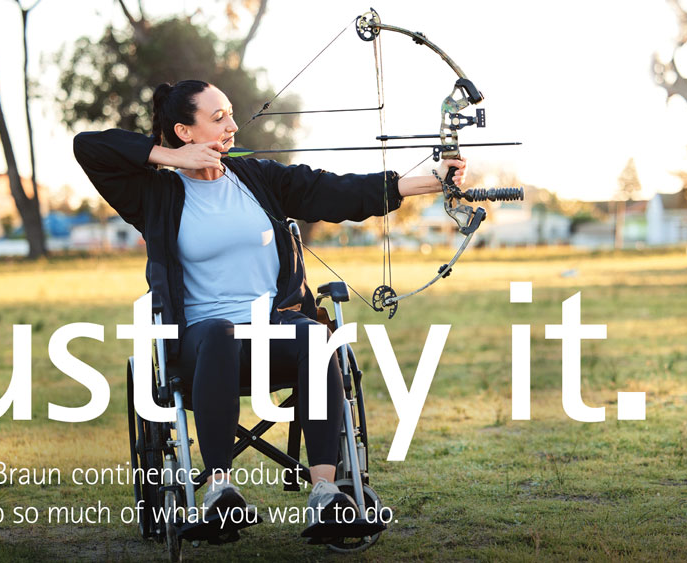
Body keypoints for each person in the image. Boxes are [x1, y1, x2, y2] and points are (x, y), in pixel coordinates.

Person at [73, 79, 466, 535]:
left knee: (316, 336)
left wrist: (434, 181)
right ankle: (220, 492)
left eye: (231, 114)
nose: (233, 126)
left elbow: (338, 191)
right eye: (218, 118)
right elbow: (89, 147)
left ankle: (326, 494)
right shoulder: (154, 195)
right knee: (221, 332)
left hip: (274, 329)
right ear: (184, 131)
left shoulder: (259, 179)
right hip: (203, 341)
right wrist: (171, 158)